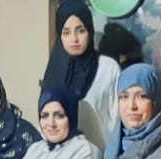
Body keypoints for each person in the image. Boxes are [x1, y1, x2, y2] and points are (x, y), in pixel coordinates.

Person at [42, 0, 121, 150]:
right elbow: (46, 119)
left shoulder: (107, 68)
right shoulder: (54, 71)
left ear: (90, 30)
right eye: (66, 32)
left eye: (81, 30)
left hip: (100, 156)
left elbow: (117, 120)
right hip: (61, 158)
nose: (74, 39)